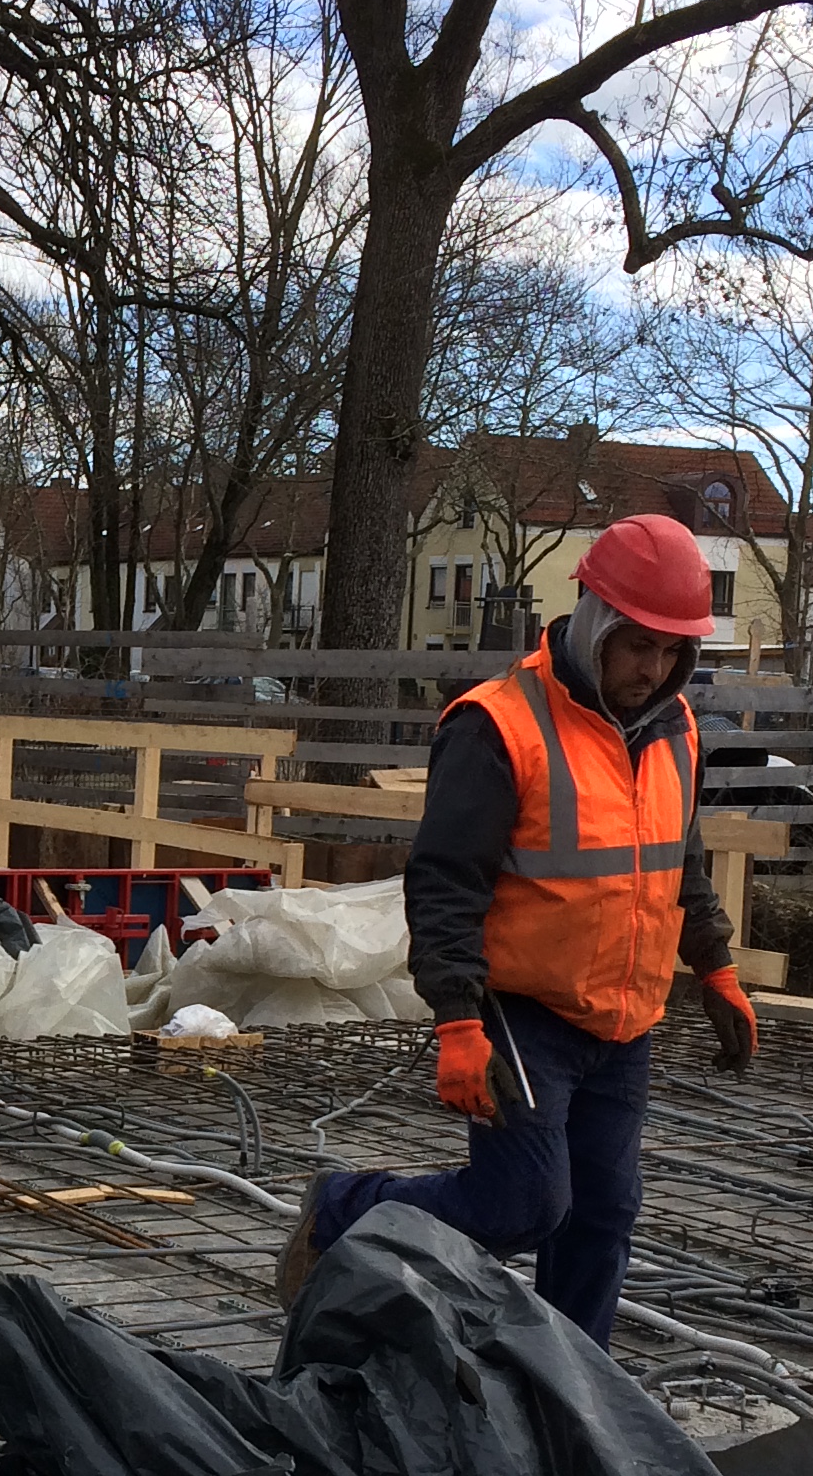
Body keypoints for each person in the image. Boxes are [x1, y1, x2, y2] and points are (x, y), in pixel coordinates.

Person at [276, 512, 758, 1344]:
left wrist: (715, 968)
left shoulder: (676, 731)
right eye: (638, 646)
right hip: (522, 1010)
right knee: (525, 1205)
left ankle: (572, 1386)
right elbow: (445, 883)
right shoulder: (499, 725)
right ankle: (343, 1207)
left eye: (671, 650)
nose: (653, 668)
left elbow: (680, 862)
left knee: (602, 1216)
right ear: (598, 623)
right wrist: (457, 1023)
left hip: (623, 1018)